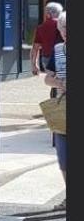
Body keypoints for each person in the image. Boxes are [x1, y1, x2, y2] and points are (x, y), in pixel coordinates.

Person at [44, 12, 66, 181]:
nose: (65, 30)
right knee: (64, 157)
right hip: (62, 107)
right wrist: (58, 83)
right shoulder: (58, 50)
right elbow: (47, 78)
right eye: (63, 27)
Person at [32, 2, 63, 77]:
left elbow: (35, 48)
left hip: (46, 58)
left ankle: (55, 88)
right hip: (60, 56)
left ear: (47, 14)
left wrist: (34, 64)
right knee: (61, 80)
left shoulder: (40, 28)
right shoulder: (62, 24)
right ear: (58, 13)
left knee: (53, 79)